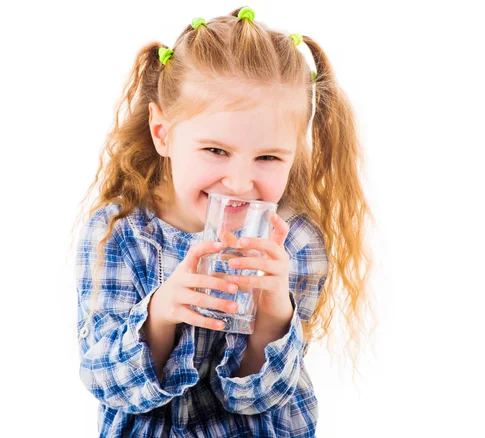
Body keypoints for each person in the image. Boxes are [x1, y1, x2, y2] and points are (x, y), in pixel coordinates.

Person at [75, 6, 373, 437]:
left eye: (268, 157)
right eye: (215, 151)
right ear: (163, 133)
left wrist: (273, 319)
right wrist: (160, 315)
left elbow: (259, 399)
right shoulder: (118, 233)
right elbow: (104, 382)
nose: (238, 183)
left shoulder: (295, 243)